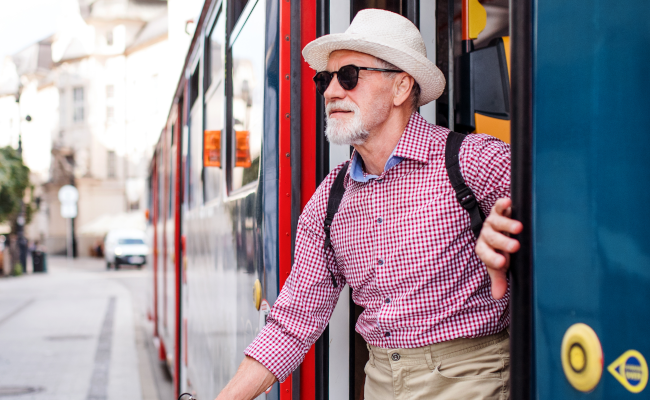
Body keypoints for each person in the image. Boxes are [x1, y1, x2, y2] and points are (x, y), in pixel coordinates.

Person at [216, 10, 523, 400]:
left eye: (349, 76)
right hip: (379, 381)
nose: (329, 93)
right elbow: (291, 323)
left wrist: (518, 241)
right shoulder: (330, 198)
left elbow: (569, 219)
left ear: (400, 88)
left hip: (471, 379)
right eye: (325, 80)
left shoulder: (473, 161)